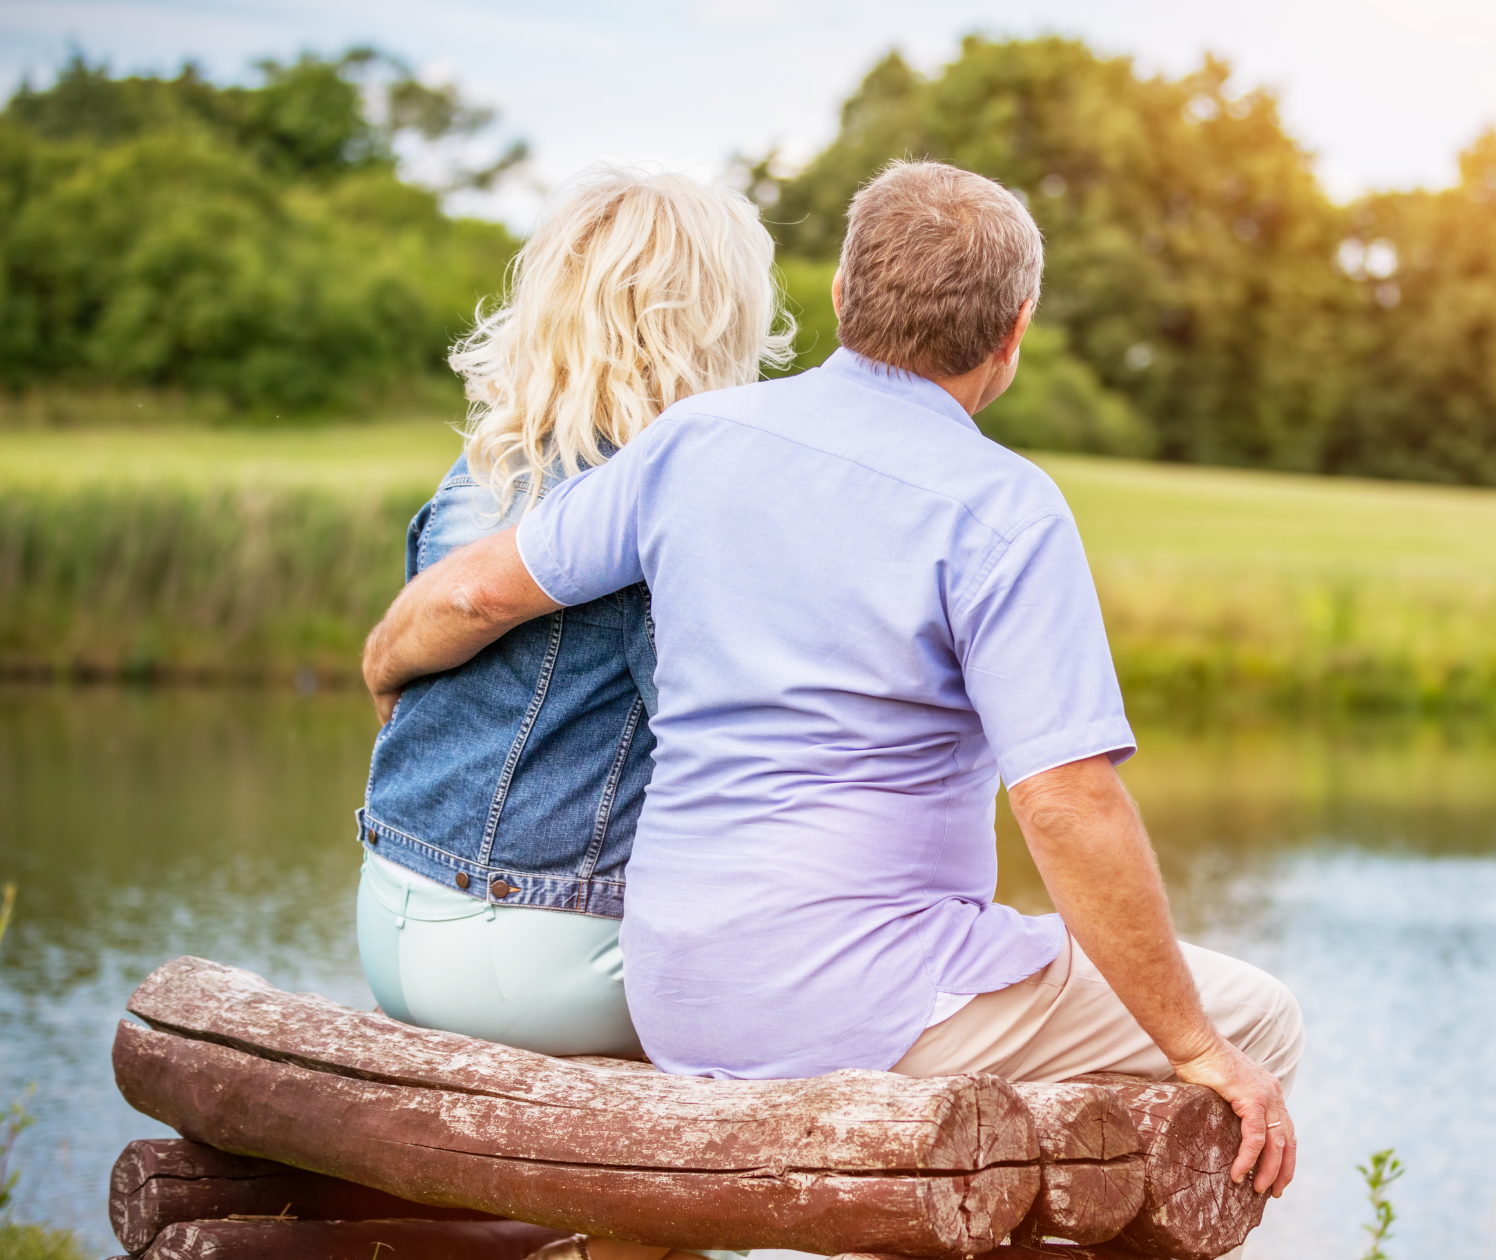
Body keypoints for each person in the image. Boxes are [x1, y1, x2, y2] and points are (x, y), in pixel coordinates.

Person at [362, 160, 1302, 1260]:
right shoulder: (1004, 510)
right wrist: (1195, 1047)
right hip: (856, 1004)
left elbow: (479, 586)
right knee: (1256, 1018)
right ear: (1014, 332)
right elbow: (1067, 801)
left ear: (847, 295)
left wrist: (386, 666)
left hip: (674, 990)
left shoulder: (695, 441)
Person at [355, 167, 791, 1059]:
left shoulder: (481, 468)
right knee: (834, 995)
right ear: (716, 316)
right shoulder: (660, 507)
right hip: (536, 952)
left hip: (389, 921)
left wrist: (385, 661)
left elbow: (420, 672)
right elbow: (719, 757)